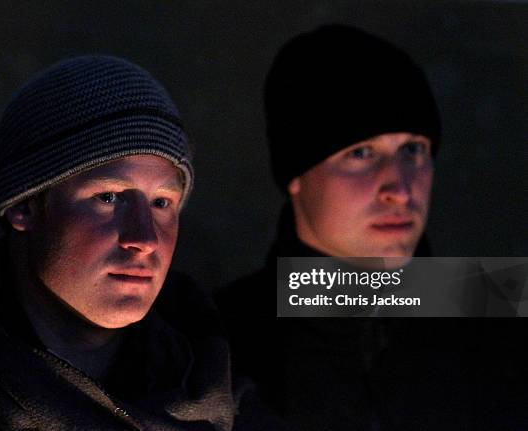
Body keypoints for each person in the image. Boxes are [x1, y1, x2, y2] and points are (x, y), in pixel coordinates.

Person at [0, 56, 285, 430]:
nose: (144, 239)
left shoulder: (229, 395)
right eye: (108, 197)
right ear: (25, 207)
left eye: (161, 203)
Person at [216, 25, 528, 430]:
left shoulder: (499, 312)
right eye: (360, 153)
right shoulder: (213, 345)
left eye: (412, 149)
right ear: (295, 174)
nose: (398, 188)